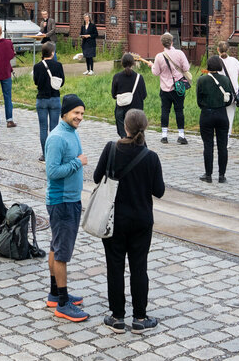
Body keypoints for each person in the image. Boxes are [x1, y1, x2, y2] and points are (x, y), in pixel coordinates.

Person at [95, 109, 164, 333]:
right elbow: (159, 191)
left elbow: (97, 177)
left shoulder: (111, 149)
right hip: (141, 220)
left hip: (114, 218)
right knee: (139, 267)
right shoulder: (151, 157)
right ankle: (140, 318)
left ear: (125, 127)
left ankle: (117, 317)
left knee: (114, 267)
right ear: (145, 128)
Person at [44, 94, 88, 321]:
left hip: (70, 199)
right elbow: (52, 172)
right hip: (62, 202)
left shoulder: (72, 133)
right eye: (76, 113)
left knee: (55, 245)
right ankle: (62, 304)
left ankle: (56, 293)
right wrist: (77, 163)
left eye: (81, 113)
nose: (79, 117)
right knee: (62, 253)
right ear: (65, 113)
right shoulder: (57, 138)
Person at [196, 55, 236, 183]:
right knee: (222, 146)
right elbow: (229, 99)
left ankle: (208, 175)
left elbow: (199, 100)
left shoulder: (202, 80)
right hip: (222, 114)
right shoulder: (225, 80)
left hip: (207, 114)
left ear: (208, 66)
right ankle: (222, 175)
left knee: (208, 145)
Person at [149, 32, 190, 144]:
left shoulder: (159, 56)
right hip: (178, 87)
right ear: (172, 42)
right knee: (179, 110)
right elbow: (186, 67)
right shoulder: (180, 53)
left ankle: (164, 136)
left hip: (165, 88)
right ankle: (181, 135)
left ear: (162, 43)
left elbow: (156, 73)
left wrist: (152, 66)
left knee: (165, 110)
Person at [33, 40, 65, 161]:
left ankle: (45, 154)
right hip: (55, 98)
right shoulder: (58, 65)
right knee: (54, 128)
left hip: (41, 99)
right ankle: (54, 154)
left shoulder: (37, 66)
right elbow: (62, 82)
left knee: (43, 128)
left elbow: (36, 81)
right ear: (52, 52)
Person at [111, 52, 147, 138]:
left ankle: (125, 145)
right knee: (138, 134)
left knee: (123, 135)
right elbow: (144, 95)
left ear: (122, 63)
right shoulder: (139, 77)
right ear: (133, 63)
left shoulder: (116, 77)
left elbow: (113, 95)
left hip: (121, 109)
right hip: (136, 110)